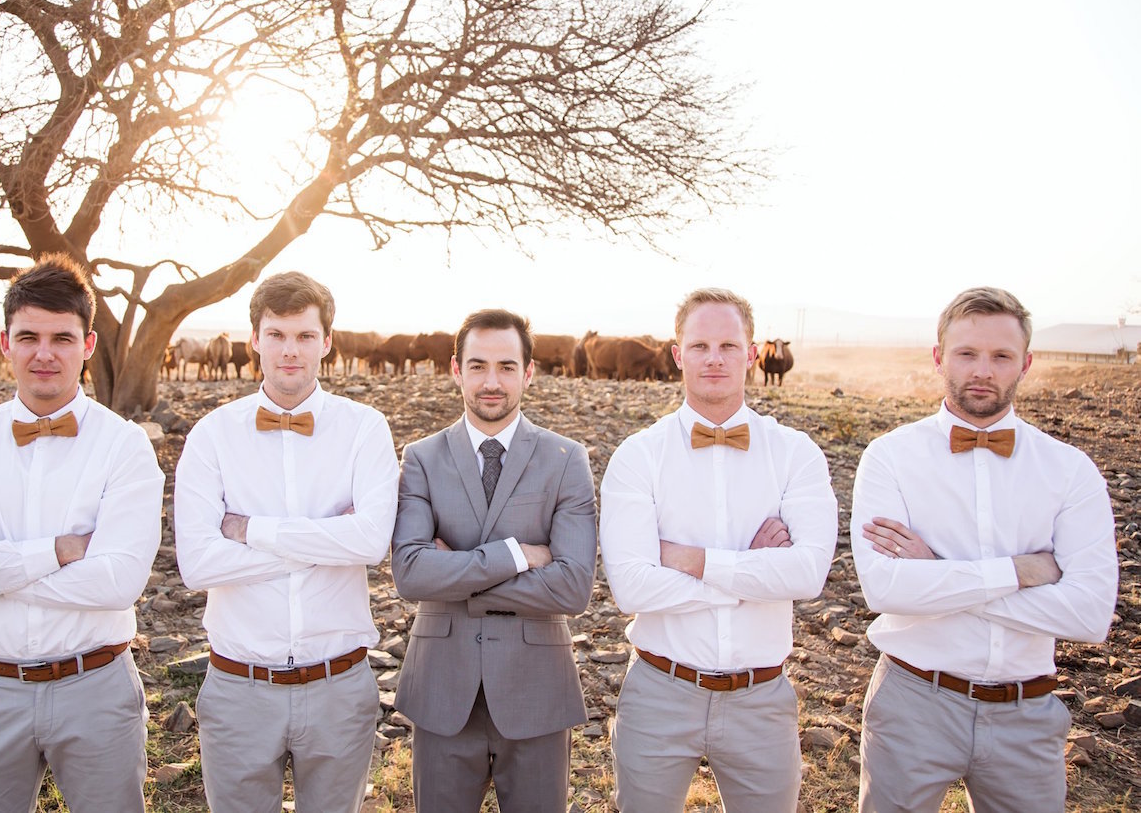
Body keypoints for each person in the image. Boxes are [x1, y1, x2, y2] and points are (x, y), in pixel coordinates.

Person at [0, 255, 164, 812]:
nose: (44, 353)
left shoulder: (124, 445)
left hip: (96, 687)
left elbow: (118, 584)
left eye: (62, 338)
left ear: (88, 344)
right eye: (28, 336)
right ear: (5, 343)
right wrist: (59, 550)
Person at [851, 287, 1117, 813]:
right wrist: (1020, 572)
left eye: (1001, 356)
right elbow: (885, 588)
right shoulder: (890, 458)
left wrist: (940, 575)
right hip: (912, 703)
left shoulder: (1069, 470)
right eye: (967, 353)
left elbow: (1089, 616)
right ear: (938, 357)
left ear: (1026, 364)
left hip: (1027, 713)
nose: (982, 370)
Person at [599, 288, 837, 813]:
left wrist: (691, 559)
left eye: (729, 345)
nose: (714, 358)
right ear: (677, 353)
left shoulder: (796, 453)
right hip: (659, 691)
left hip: (763, 699)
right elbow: (632, 588)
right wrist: (752, 570)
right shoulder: (639, 455)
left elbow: (807, 575)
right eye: (700, 345)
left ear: (752, 354)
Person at [173, 271, 398, 813]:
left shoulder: (365, 429)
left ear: (327, 341)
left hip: (339, 685)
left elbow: (369, 542)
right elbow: (199, 565)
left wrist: (252, 531)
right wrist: (325, 544)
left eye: (303, 335)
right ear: (254, 339)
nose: (289, 350)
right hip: (238, 688)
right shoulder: (212, 435)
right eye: (276, 334)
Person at [391, 309, 597, 813]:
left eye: (507, 366)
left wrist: (457, 575)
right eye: (478, 365)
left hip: (538, 690)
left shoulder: (568, 459)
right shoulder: (421, 458)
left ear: (529, 372)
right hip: (442, 689)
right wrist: (516, 557)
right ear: (455, 369)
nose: (491, 381)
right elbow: (411, 573)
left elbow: (572, 588)